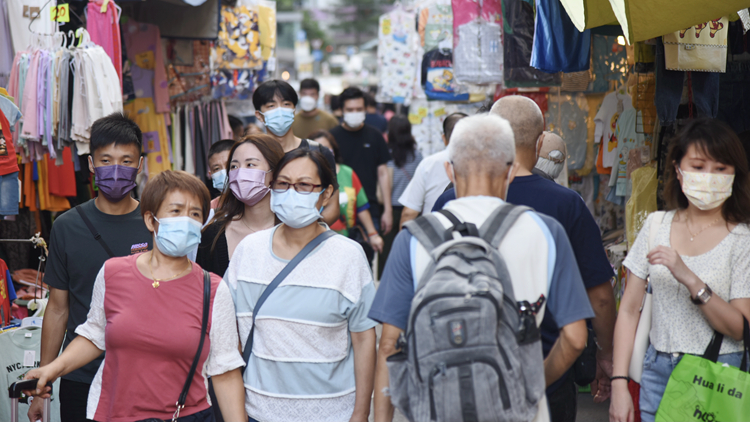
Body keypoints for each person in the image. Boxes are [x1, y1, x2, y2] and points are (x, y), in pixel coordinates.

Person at [369, 114, 592, 422]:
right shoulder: (545, 231)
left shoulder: (414, 238)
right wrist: (531, 381)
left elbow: (389, 347)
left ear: (449, 170)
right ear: (511, 171)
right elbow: (576, 338)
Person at [432, 96, 617, 421]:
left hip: (465, 370)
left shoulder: (450, 200)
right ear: (541, 141)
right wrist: (607, 354)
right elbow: (599, 296)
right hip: (549, 370)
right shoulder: (567, 205)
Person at [24, 170, 247, 422]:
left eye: (195, 214)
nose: (186, 220)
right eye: (175, 211)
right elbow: (94, 335)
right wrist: (51, 370)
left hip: (184, 416)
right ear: (151, 221)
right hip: (112, 414)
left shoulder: (214, 290)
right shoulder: (112, 273)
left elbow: (225, 372)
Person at [610, 118, 750, 422]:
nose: (709, 176)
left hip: (717, 376)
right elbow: (629, 310)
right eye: (698, 167)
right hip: (657, 374)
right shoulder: (656, 225)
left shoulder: (742, 239)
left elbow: (740, 327)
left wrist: (689, 278)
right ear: (678, 169)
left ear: (735, 174)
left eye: (721, 168)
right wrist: (619, 383)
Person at [224, 148, 377, 422]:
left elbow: (365, 339)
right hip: (260, 412)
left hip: (332, 413)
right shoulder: (249, 252)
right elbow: (228, 336)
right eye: (282, 184)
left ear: (326, 193)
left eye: (304, 185)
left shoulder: (349, 256)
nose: (291, 192)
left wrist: (361, 413)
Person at [28, 113, 153, 422]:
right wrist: (45, 378)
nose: (116, 169)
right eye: (106, 160)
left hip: (145, 376)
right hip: (81, 376)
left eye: (126, 161)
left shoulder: (156, 225)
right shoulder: (67, 226)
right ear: (91, 165)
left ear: (140, 165)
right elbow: (58, 308)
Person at [252, 79, 340, 225]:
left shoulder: (318, 152)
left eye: (286, 104)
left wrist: (309, 232)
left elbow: (332, 205)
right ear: (259, 115)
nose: (280, 110)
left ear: (294, 110)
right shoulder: (251, 157)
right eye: (271, 106)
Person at [197, 134, 284, 277]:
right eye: (234, 166)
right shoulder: (211, 236)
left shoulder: (295, 230)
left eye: (250, 165)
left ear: (275, 172)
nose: (240, 173)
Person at [330, 87, 393, 234]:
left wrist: (388, 210)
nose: (354, 113)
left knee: (368, 253)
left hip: (371, 208)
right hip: (339, 212)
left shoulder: (375, 135)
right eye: (350, 110)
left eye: (359, 109)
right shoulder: (332, 138)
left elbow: (383, 173)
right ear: (341, 110)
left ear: (366, 109)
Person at [310, 129, 384, 252]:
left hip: (344, 240)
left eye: (326, 149)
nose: (323, 154)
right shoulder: (305, 176)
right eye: (318, 150)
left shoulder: (347, 173)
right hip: (314, 242)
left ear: (333, 150)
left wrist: (373, 234)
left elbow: (361, 207)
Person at [397, 112, 466, 228]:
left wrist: (403, 241)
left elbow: (409, 212)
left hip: (432, 235)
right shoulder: (482, 163)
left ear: (444, 138)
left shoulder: (428, 164)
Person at [381, 115, 422, 274]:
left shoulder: (386, 155)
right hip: (411, 209)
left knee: (387, 251)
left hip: (388, 208)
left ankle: (385, 278)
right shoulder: (417, 156)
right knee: (408, 248)